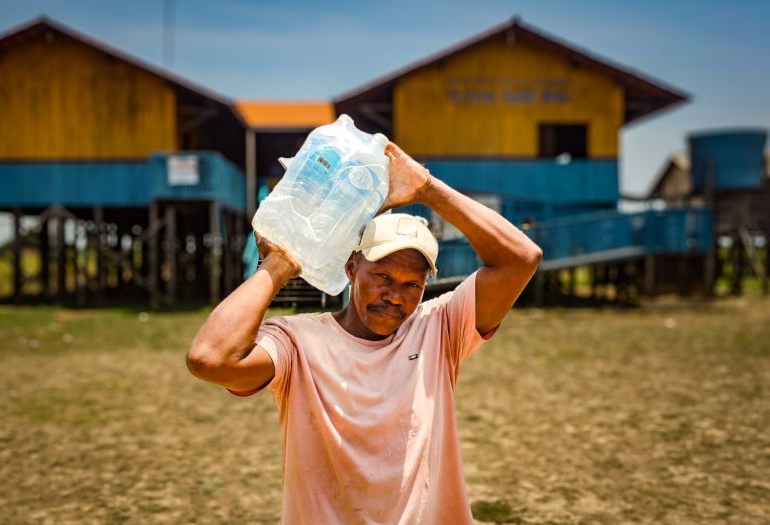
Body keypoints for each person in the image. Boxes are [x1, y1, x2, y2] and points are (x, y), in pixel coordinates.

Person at [186, 142, 543, 524]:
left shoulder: (438, 329)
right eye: (383, 277)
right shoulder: (298, 342)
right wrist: (279, 264)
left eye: (412, 284)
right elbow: (211, 359)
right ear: (352, 268)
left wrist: (426, 188)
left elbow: (521, 258)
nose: (395, 296)